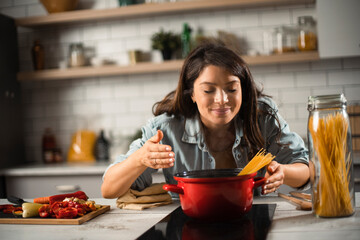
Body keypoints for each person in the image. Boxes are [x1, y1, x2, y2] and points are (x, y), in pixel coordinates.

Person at [101, 43, 309, 199]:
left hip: (250, 217)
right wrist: (139, 159)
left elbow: (306, 169)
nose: (222, 99)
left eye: (232, 89)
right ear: (192, 94)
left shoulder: (262, 118)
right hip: (187, 221)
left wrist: (284, 172)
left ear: (243, 89)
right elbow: (109, 190)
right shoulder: (165, 129)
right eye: (209, 90)